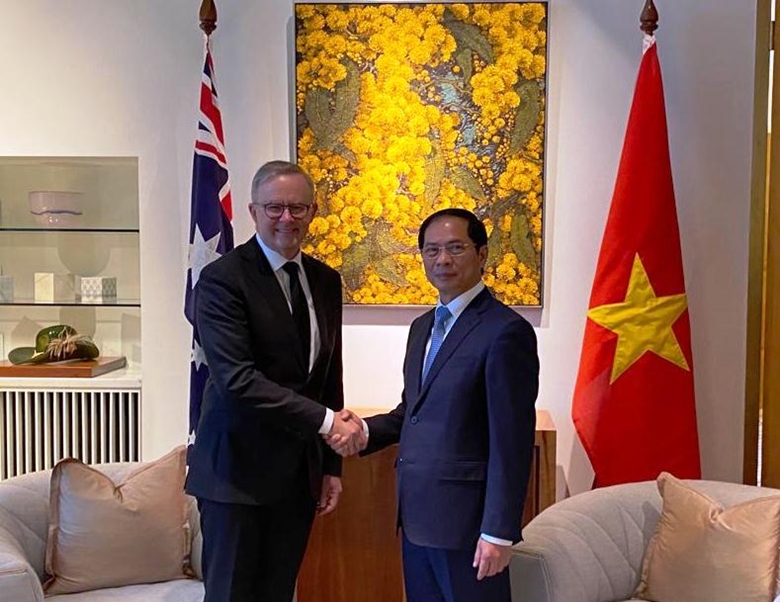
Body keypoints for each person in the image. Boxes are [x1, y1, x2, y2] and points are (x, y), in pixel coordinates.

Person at [329, 208, 539, 602]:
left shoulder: (506, 331)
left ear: (482, 254)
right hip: (416, 520)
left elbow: (511, 442)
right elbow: (412, 412)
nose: (442, 260)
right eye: (432, 250)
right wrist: (364, 431)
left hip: (469, 528)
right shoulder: (422, 327)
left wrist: (498, 532)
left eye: (456, 248)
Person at [186, 160, 364, 602]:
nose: (287, 218)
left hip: (296, 478)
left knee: (279, 594)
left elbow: (328, 376)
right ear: (253, 211)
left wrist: (330, 467)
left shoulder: (325, 280)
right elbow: (237, 381)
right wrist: (328, 423)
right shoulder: (222, 279)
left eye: (298, 208)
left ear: (313, 211)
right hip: (235, 477)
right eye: (275, 207)